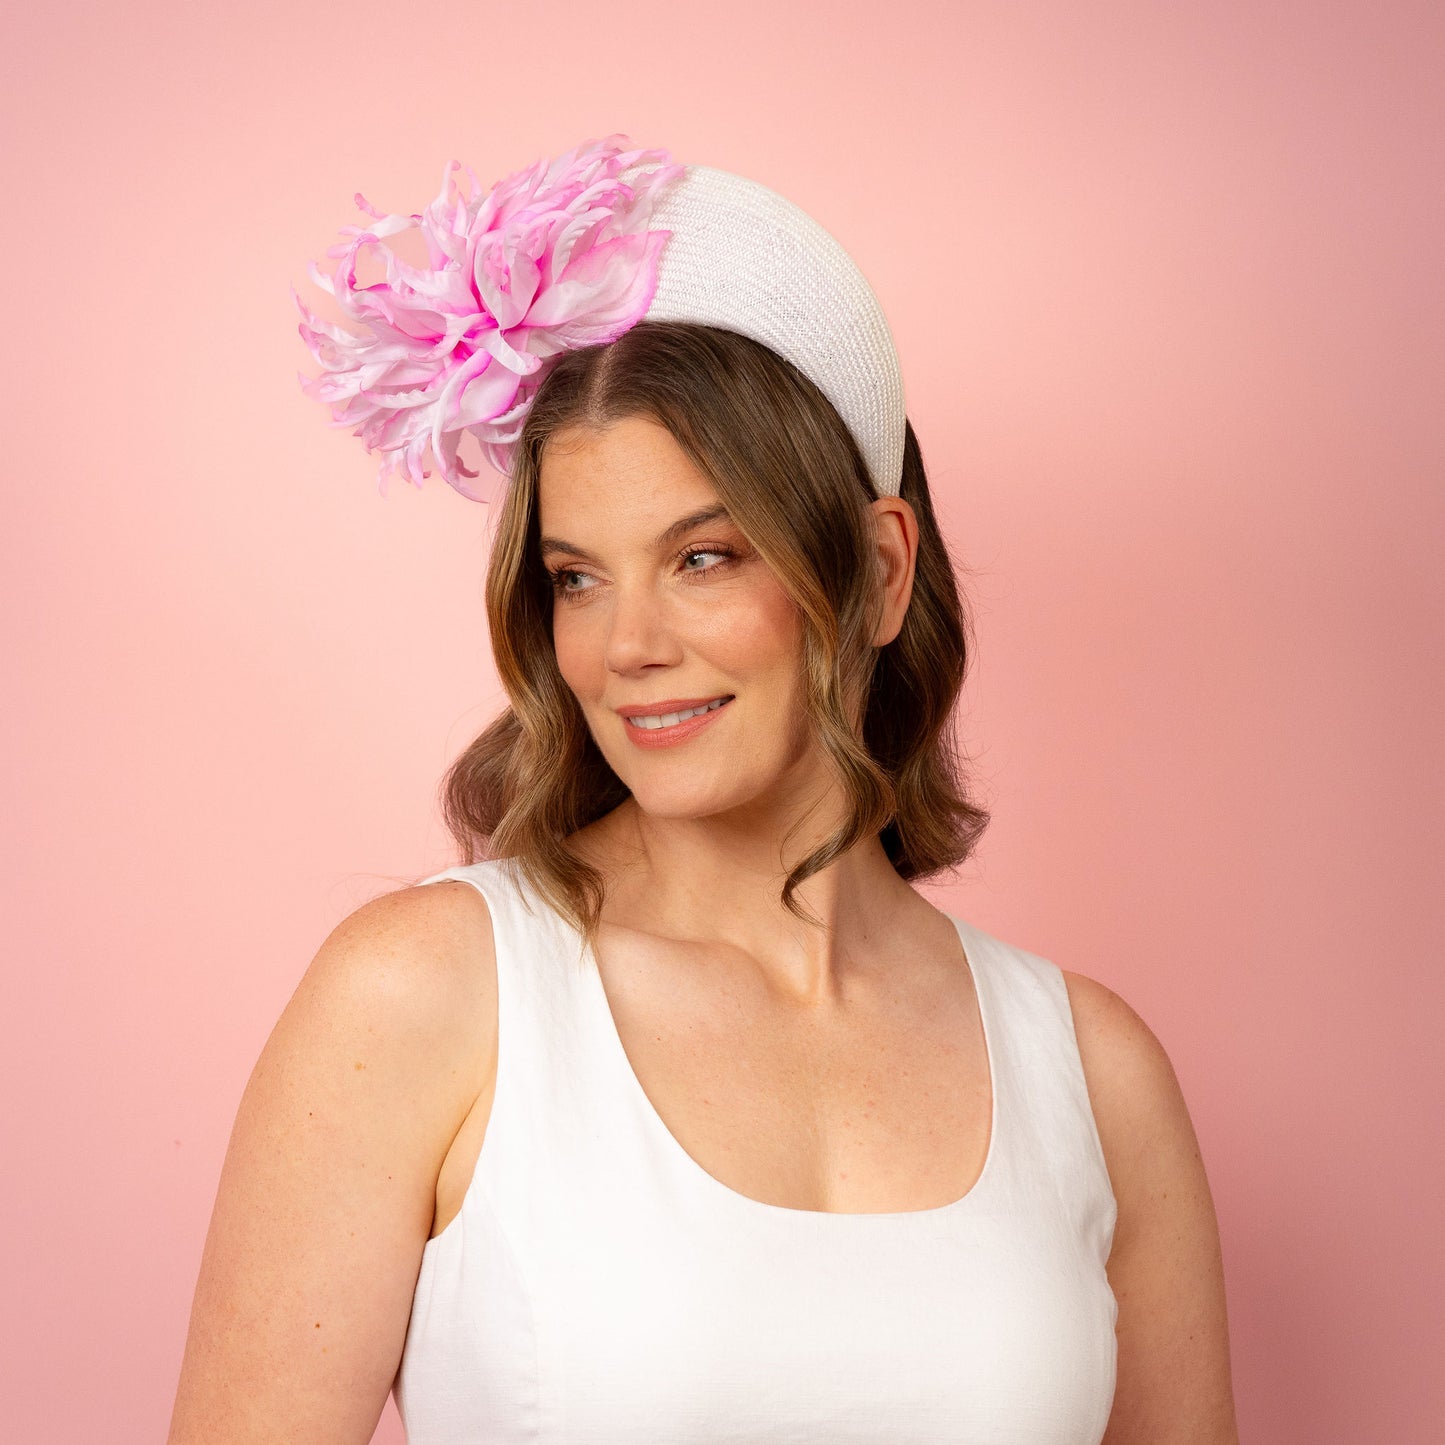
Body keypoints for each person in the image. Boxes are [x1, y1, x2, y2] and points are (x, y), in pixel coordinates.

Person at [168, 137, 1239, 1444]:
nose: (624, 646)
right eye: (575, 576)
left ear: (879, 570)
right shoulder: (427, 999)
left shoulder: (1094, 1073)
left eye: (704, 556)